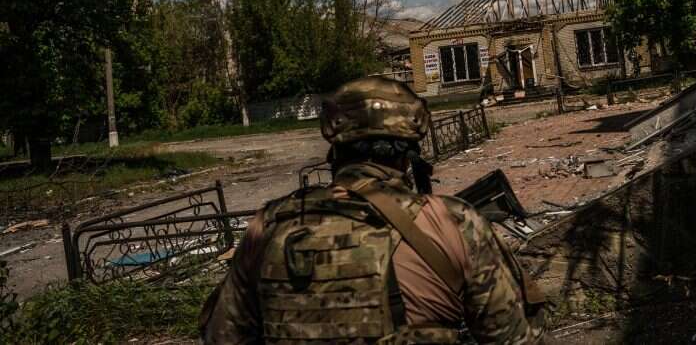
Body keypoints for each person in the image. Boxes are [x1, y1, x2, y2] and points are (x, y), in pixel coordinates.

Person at [200, 77, 546, 344]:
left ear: (335, 151)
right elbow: (515, 337)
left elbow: (221, 336)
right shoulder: (453, 223)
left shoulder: (272, 224)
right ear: (408, 157)